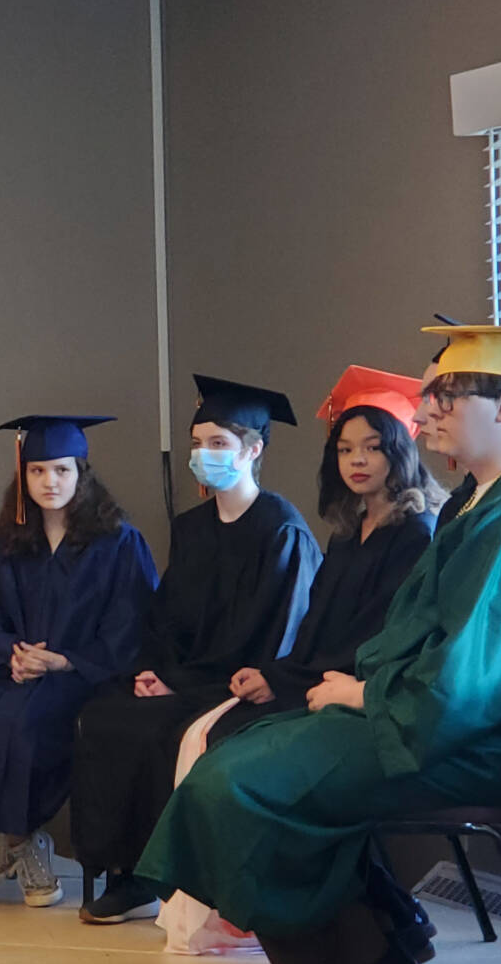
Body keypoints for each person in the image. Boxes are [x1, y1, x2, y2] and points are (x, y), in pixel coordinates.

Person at [140, 325, 501, 964]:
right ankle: (382, 938)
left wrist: (367, 694)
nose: (425, 411)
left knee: (240, 783)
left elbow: (471, 676)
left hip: (463, 736)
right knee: (242, 755)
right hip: (421, 715)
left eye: (445, 396)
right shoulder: (484, 495)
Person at [71, 375, 321, 926]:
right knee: (106, 713)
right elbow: (165, 617)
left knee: (166, 730)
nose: (202, 456)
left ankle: (162, 875)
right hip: (181, 676)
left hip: (244, 684)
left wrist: (180, 684)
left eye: (217, 445)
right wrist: (151, 671)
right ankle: (122, 870)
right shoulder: (192, 529)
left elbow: (274, 636)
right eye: (197, 444)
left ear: (253, 450)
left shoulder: (281, 531)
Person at [0, 416, 157, 909]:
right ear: (23, 478)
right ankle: (26, 844)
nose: (50, 482)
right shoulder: (9, 543)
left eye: (61, 470)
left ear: (81, 474)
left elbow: (132, 626)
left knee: (29, 721)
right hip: (18, 668)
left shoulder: (118, 542)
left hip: (87, 675)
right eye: (37, 472)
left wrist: (65, 661)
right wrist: (12, 654)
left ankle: (12, 842)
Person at [208, 368, 443, 746]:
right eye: (345, 450)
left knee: (234, 741)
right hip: (315, 681)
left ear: (400, 451)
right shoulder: (348, 533)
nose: (357, 461)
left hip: (359, 695)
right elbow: (317, 625)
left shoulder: (416, 534)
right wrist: (275, 673)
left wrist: (286, 682)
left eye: (373, 447)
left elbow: (373, 637)